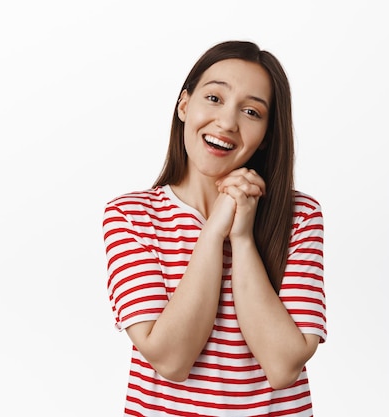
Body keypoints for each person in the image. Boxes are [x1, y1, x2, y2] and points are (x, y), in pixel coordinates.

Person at [102, 40, 326, 416]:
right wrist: (212, 232)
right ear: (184, 105)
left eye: (252, 111)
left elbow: (283, 366)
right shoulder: (130, 216)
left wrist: (241, 237)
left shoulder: (299, 216)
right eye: (214, 98)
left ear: (268, 133)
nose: (227, 122)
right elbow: (171, 360)